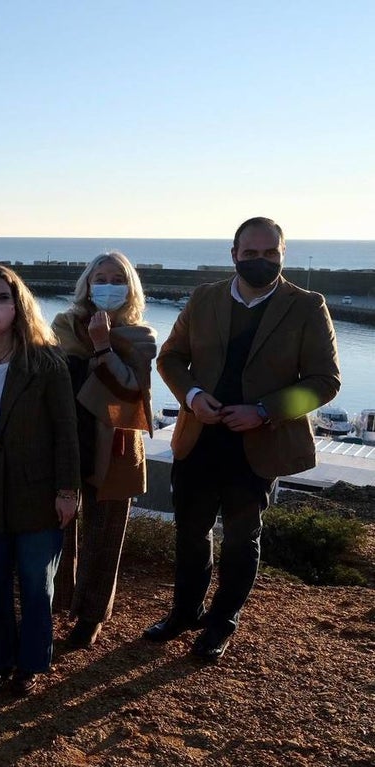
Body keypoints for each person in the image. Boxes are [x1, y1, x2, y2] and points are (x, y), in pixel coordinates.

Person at [144, 217, 341, 662]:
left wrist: (265, 411)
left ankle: (220, 623)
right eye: (250, 253)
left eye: (269, 253)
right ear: (234, 254)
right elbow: (171, 358)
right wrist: (192, 396)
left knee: (241, 538)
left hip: (258, 445)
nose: (260, 260)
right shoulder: (205, 298)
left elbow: (324, 381)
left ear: (282, 254)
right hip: (199, 437)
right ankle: (184, 612)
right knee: (190, 533)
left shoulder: (308, 306)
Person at [0, 266, 80, 697]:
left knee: (34, 582)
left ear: (19, 304)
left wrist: (67, 491)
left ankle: (30, 664)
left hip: (38, 492)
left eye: (3, 298)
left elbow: (67, 430)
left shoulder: (46, 361)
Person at [51, 252, 156, 648]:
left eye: (117, 278)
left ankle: (92, 614)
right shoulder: (64, 325)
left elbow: (132, 390)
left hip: (116, 443)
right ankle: (57, 600)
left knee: (106, 533)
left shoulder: (141, 335)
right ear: (87, 284)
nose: (108, 285)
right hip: (69, 438)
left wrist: (102, 347)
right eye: (100, 278)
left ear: (130, 287)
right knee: (60, 528)